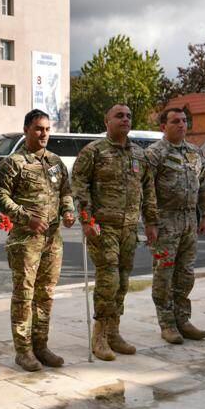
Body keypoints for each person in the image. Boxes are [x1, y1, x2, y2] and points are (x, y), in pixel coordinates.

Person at [71, 104, 158, 362]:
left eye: (129, 116)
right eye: (119, 116)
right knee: (108, 280)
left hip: (130, 228)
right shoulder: (94, 152)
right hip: (103, 228)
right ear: (107, 120)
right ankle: (99, 335)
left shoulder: (140, 155)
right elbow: (79, 186)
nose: (125, 119)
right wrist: (86, 220)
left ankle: (114, 331)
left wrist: (151, 222)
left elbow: (149, 190)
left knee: (122, 282)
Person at [0, 109, 75, 371]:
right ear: (27, 130)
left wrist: (69, 211)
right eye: (39, 129)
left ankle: (41, 345)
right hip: (25, 240)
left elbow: (66, 192)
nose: (44, 134)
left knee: (46, 295)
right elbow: (0, 197)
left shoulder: (55, 162)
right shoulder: (14, 162)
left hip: (53, 240)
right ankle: (24, 349)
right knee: (24, 295)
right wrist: (24, 217)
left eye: (47, 129)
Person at [145, 107, 205, 344]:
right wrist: (151, 222)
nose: (182, 125)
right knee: (164, 274)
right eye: (175, 121)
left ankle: (183, 319)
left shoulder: (195, 153)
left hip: (188, 221)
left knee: (185, 274)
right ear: (163, 126)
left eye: (184, 121)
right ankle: (167, 324)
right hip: (165, 221)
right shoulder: (154, 154)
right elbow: (146, 190)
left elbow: (203, 185)